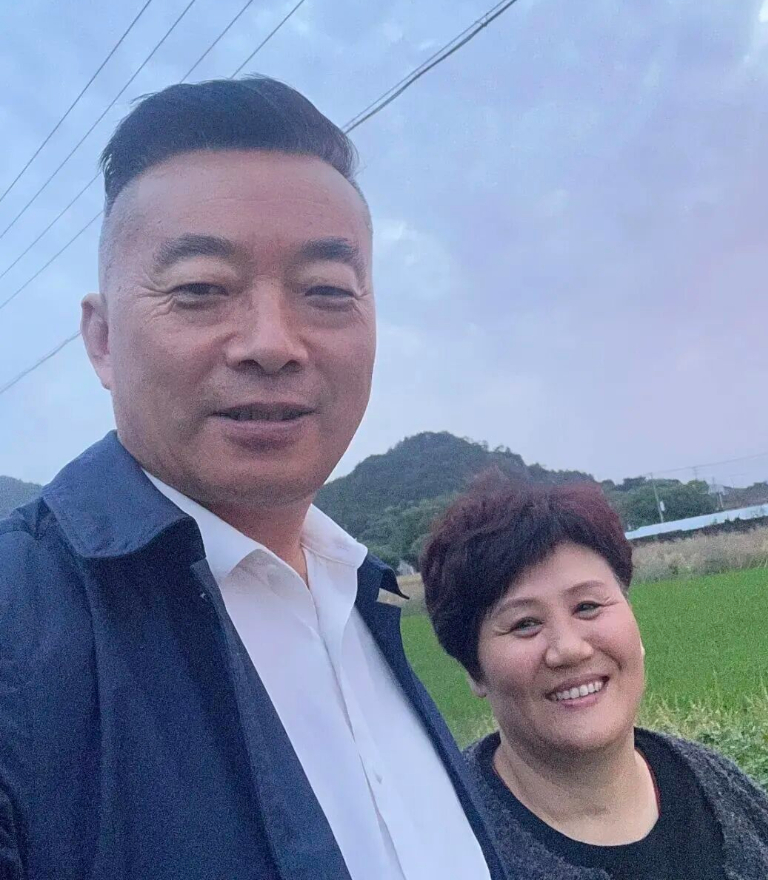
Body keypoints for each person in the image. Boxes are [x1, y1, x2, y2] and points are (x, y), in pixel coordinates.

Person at [0, 77, 506, 880]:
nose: (272, 343)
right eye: (201, 289)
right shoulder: (21, 624)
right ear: (102, 340)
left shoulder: (361, 593)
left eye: (326, 291)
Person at [419, 473, 768, 880]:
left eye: (587, 606)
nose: (570, 649)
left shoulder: (714, 784)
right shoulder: (438, 850)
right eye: (524, 623)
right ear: (473, 669)